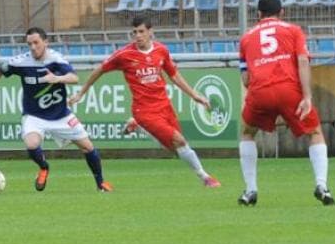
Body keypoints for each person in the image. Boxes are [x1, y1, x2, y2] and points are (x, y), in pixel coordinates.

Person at [68, 17, 221, 188]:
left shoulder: (161, 50)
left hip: (164, 106)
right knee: (180, 141)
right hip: (144, 111)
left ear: (150, 32)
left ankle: (136, 125)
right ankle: (205, 177)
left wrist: (194, 95)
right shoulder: (124, 55)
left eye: (141, 31)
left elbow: (174, 75)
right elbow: (100, 70)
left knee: (176, 149)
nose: (138, 36)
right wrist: (82, 92)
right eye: (134, 32)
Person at [0, 27, 112, 192]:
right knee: (31, 143)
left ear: (46, 42)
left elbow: (74, 77)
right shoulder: (22, 61)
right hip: (34, 115)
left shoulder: (56, 60)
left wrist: (57, 78)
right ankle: (43, 167)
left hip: (61, 115)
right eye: (29, 44)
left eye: (36, 42)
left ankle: (101, 183)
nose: (33, 47)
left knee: (88, 147)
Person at [236, 0, 335, 207]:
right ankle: (322, 186)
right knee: (315, 133)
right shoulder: (293, 30)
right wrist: (307, 96)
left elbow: (245, 78)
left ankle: (250, 190)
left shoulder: (246, 38)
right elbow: (302, 61)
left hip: (260, 91)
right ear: (282, 12)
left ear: (258, 15)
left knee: (247, 133)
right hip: (289, 89)